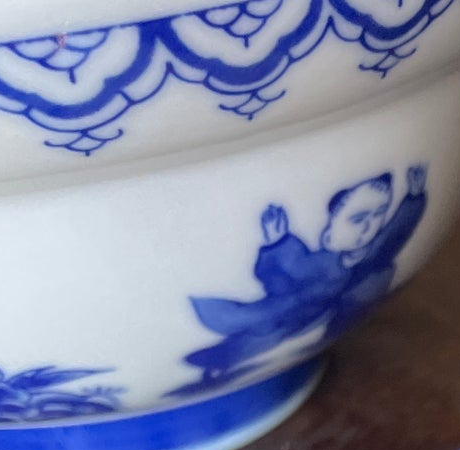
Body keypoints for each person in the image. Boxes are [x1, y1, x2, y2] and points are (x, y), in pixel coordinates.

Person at [172, 166, 428, 391]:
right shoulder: (320, 263)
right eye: (358, 219)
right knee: (257, 330)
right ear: (330, 228)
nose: (369, 228)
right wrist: (278, 243)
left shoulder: (371, 252)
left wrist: (413, 199)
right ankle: (218, 362)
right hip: (293, 315)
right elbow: (281, 279)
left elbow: (395, 234)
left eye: (379, 215)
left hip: (330, 320)